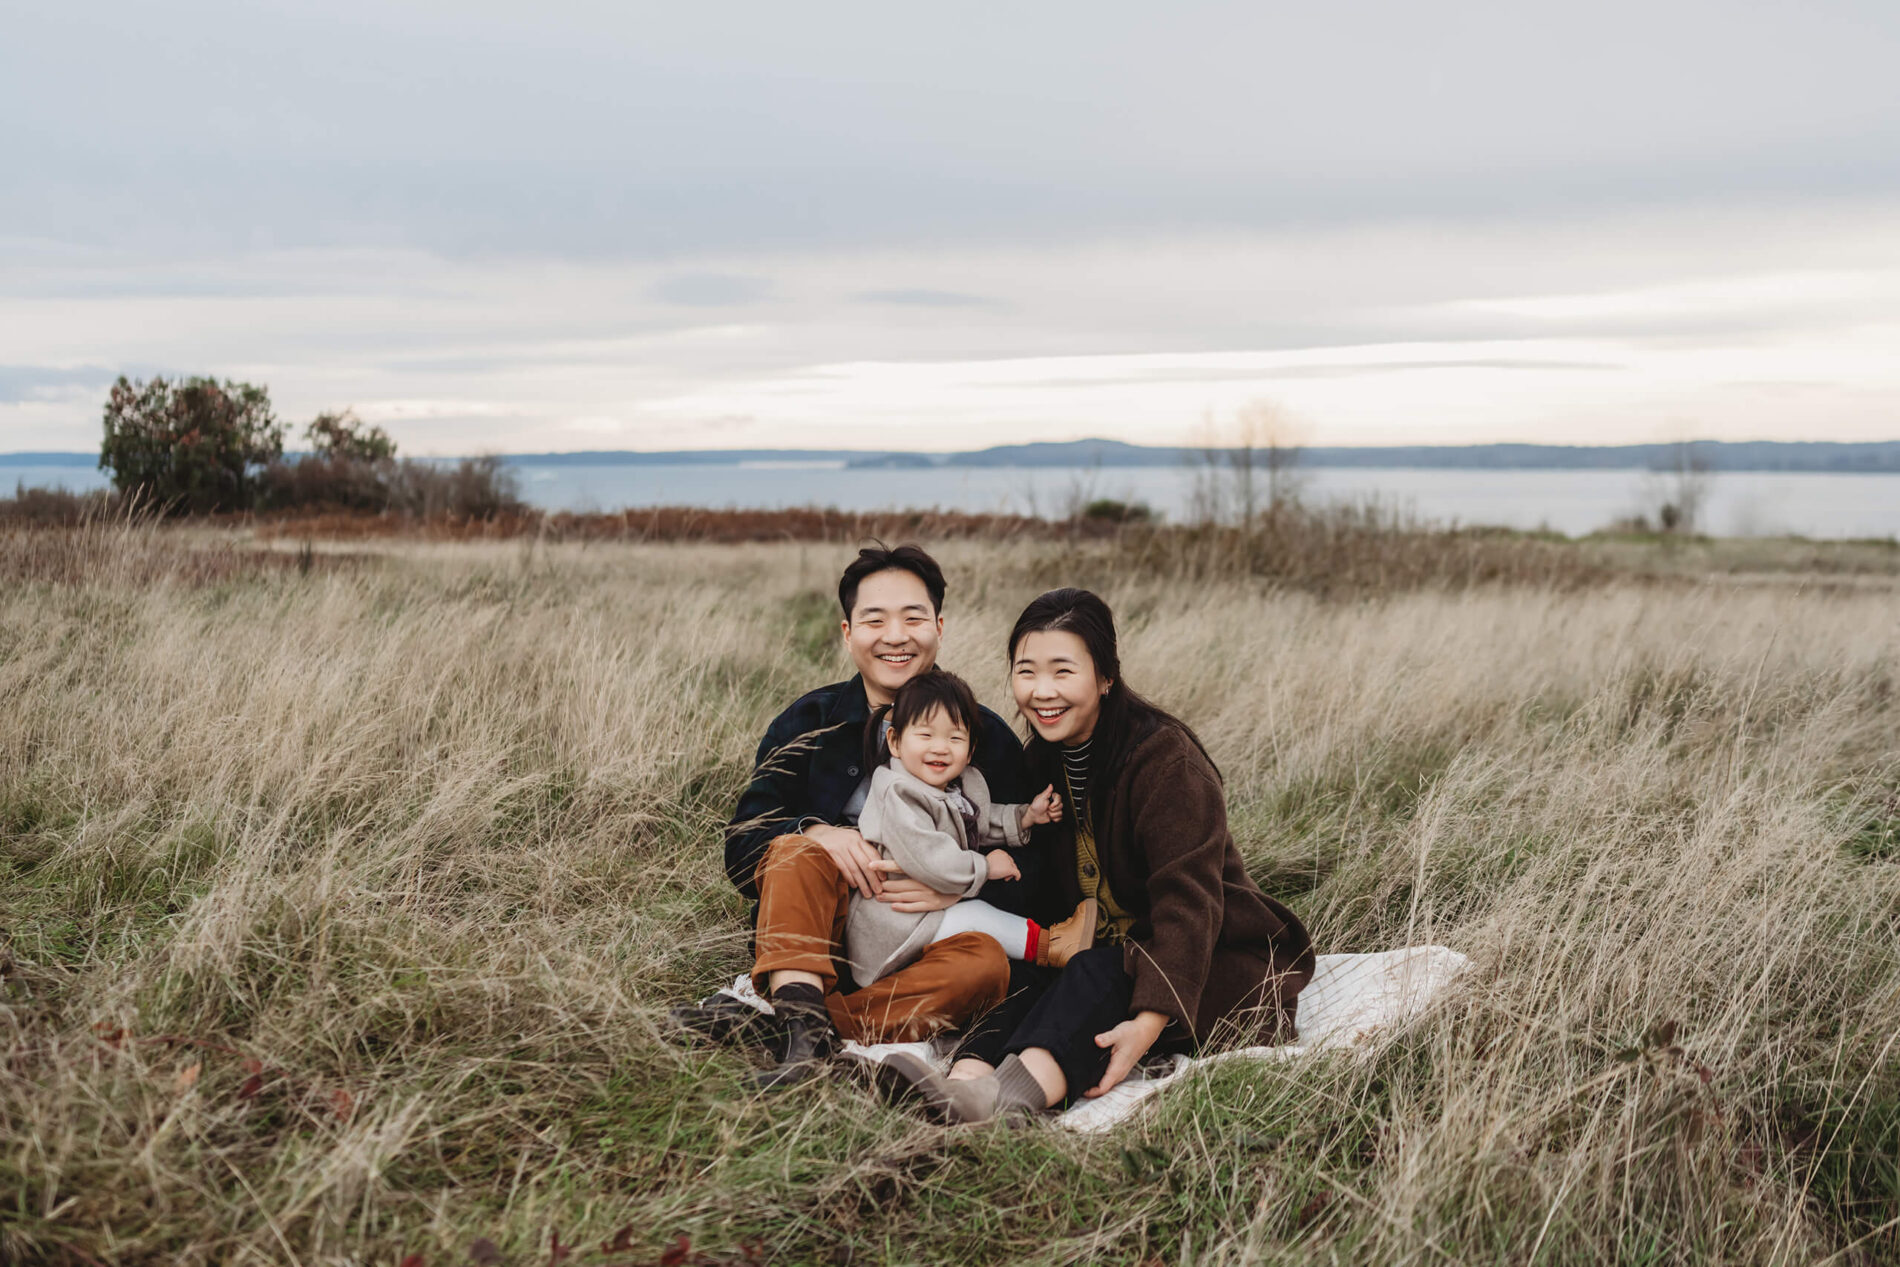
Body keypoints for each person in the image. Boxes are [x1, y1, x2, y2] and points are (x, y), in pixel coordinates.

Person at [875, 587, 1316, 1123]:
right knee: (1030, 968)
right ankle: (962, 1084)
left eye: (1063, 671)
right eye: (1026, 671)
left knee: (1095, 972)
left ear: (1105, 677)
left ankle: (1006, 1102)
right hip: (1107, 952)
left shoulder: (1165, 762)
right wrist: (948, 886)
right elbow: (1020, 873)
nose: (1041, 692)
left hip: (1213, 961)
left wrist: (1152, 1020)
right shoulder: (1041, 762)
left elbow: (1190, 902)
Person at [669, 544, 1035, 1090]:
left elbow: (1032, 872)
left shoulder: (983, 737)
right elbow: (742, 851)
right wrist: (816, 832)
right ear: (847, 633)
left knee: (986, 964)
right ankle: (802, 1010)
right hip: (816, 945)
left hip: (926, 948)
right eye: (874, 619)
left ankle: (795, 1032)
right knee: (797, 848)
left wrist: (954, 888)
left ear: (938, 626)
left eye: (913, 617)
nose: (895, 635)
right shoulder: (808, 721)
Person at [846, 669, 1098, 987]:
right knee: (977, 915)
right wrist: (985, 866)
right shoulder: (898, 794)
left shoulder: (950, 788)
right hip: (891, 927)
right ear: (895, 742)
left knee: (974, 949)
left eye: (954, 737)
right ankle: (1052, 945)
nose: (940, 748)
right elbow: (932, 859)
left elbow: (975, 822)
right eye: (925, 735)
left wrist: (1024, 817)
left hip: (919, 919)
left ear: (971, 747)